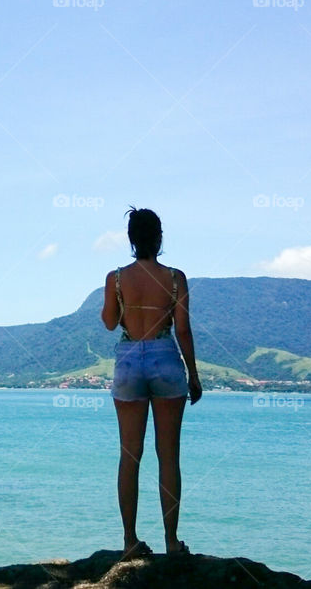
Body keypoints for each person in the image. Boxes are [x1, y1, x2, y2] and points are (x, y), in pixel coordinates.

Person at [100, 207, 202, 560]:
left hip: (129, 358)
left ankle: (130, 541)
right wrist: (194, 376)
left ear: (131, 239)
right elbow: (184, 330)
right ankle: (172, 541)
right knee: (168, 456)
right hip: (165, 355)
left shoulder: (115, 278)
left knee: (130, 455)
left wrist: (115, 300)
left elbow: (110, 324)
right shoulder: (176, 278)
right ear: (159, 238)